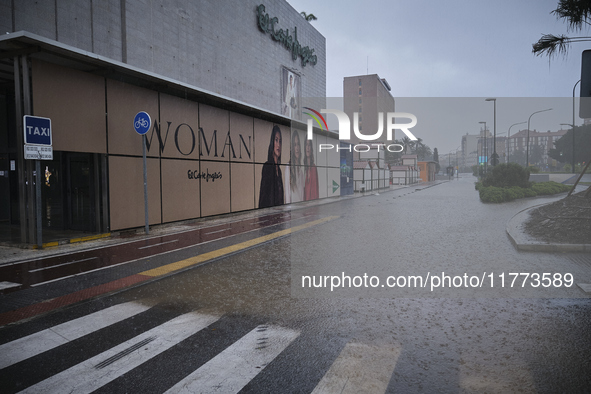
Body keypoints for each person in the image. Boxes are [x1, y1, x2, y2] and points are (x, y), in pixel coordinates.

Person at [259, 125, 284, 208]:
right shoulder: (267, 166)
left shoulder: (279, 170)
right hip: (270, 217)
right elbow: (263, 198)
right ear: (272, 142)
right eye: (276, 140)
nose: (278, 145)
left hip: (279, 215)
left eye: (280, 141)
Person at [285, 130, 304, 203]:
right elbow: (287, 196)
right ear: (292, 148)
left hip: (300, 212)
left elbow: (302, 197)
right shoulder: (288, 167)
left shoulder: (301, 171)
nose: (297, 148)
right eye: (295, 144)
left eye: (298, 144)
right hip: (292, 211)